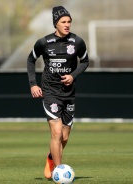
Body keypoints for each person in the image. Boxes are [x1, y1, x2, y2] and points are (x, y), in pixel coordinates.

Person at [27, 6, 89, 179]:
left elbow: (85, 62)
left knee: (65, 135)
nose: (67, 24)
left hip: (69, 93)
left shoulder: (77, 42)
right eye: (63, 22)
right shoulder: (44, 43)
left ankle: (50, 157)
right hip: (50, 92)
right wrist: (33, 84)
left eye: (69, 21)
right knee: (56, 132)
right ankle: (59, 171)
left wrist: (73, 75)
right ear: (56, 23)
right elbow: (31, 59)